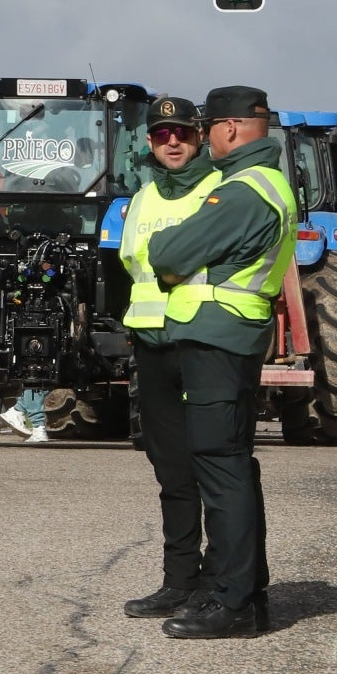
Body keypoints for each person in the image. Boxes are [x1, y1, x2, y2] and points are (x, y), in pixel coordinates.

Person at [138, 86, 295, 639]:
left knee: (220, 467)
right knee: (232, 465)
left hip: (218, 336)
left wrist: (178, 249)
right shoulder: (259, 183)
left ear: (226, 130)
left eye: (203, 128)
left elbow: (168, 253)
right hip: (228, 336)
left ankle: (231, 602)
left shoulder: (244, 190)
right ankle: (244, 589)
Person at [114, 95, 222, 621]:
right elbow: (132, 264)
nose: (172, 141)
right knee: (172, 472)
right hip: (154, 345)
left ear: (199, 136)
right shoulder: (142, 198)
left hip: (204, 341)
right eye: (161, 134)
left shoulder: (219, 190)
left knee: (215, 468)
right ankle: (178, 581)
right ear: (151, 143)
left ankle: (219, 584)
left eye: (181, 132)